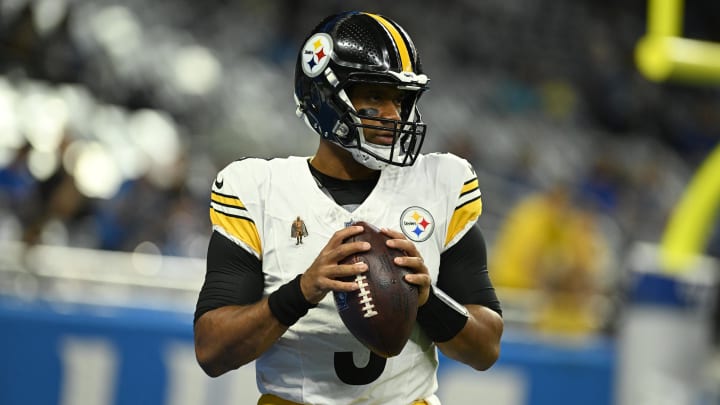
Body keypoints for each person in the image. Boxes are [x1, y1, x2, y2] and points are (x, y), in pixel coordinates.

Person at [193, 11, 503, 405]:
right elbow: (212, 350)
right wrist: (302, 291)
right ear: (324, 96)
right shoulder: (258, 190)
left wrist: (428, 300)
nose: (394, 114)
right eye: (375, 95)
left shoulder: (441, 182)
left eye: (401, 99)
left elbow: (487, 348)